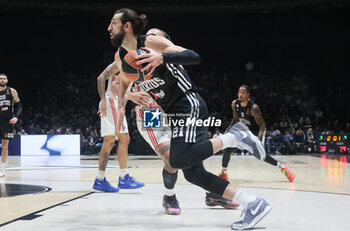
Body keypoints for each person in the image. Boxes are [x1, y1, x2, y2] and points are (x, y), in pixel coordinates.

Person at [109, 8, 271, 229]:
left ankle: (235, 138)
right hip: (160, 112)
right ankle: (252, 203)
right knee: (192, 171)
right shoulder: (122, 57)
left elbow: (194, 56)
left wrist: (163, 56)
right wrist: (125, 100)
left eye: (113, 23)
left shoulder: (154, 45)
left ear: (127, 26)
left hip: (186, 103)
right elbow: (118, 82)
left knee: (176, 159)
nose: (109, 28)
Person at [219, 85, 295, 182]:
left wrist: (258, 139)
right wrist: (228, 130)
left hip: (253, 132)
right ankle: (224, 173)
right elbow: (236, 119)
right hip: (241, 131)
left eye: (243, 93)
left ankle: (284, 168)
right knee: (228, 149)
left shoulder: (254, 108)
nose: (240, 95)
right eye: (239, 92)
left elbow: (262, 124)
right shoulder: (234, 104)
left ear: (248, 95)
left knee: (261, 156)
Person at [93, 66, 144, 192]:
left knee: (110, 141)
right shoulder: (123, 61)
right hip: (111, 102)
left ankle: (101, 179)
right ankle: (123, 177)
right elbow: (114, 86)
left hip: (114, 103)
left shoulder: (132, 62)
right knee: (122, 139)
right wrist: (104, 100)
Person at [0, 73, 22, 177]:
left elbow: (19, 106)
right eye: (0, 79)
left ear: (7, 80)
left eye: (4, 78)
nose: (2, 80)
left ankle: (2, 170)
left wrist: (16, 117)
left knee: (5, 145)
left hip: (7, 121)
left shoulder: (11, 91)